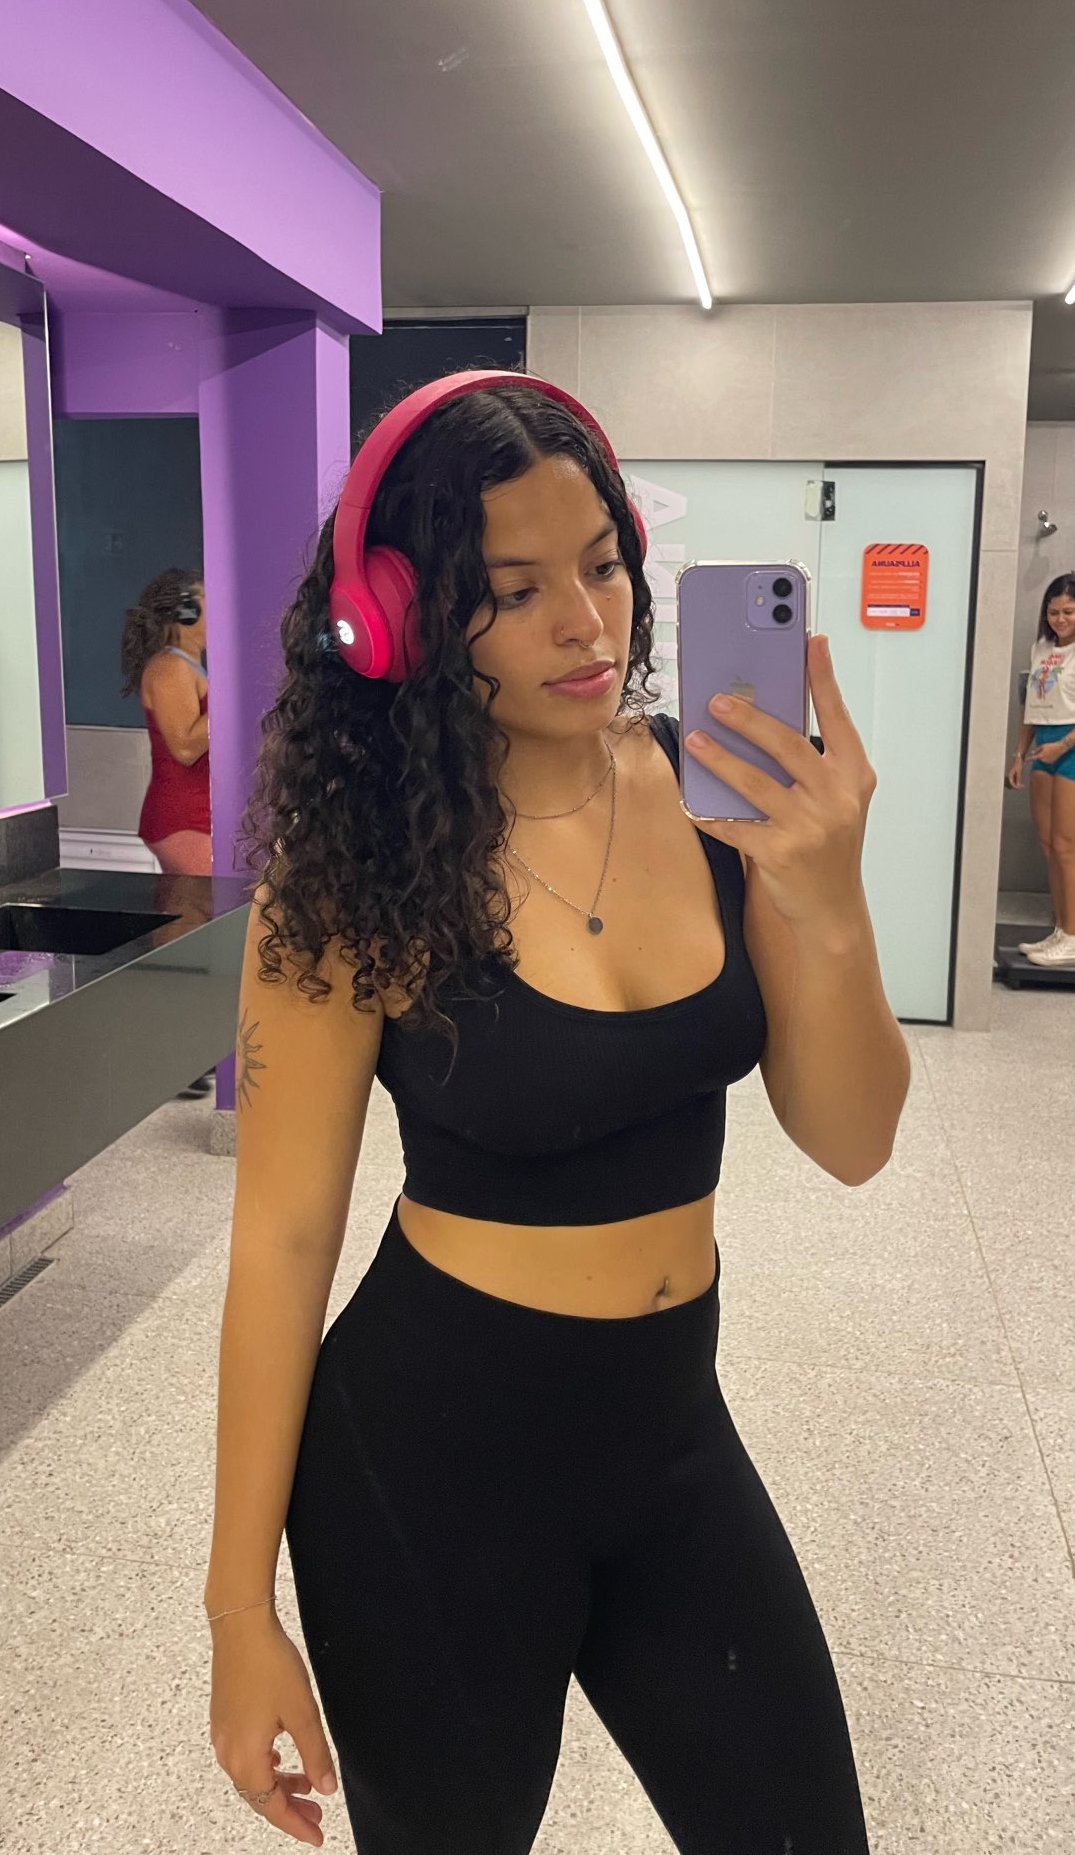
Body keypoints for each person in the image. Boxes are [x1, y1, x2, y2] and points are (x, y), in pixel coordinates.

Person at [205, 373, 910, 1855]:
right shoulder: (354, 880)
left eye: (601, 564)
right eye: (514, 591)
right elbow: (280, 1240)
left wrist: (830, 899)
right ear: (401, 621)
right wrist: (235, 1608)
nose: (587, 624)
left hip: (670, 1431)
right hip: (428, 1468)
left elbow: (853, 1142)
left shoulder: (719, 803)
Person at [121, 566, 212, 878]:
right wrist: (230, 707)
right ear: (187, 611)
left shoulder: (186, 665)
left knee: (197, 906)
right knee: (204, 905)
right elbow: (184, 748)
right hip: (184, 818)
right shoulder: (171, 667)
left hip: (193, 814)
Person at [1007, 573, 1075, 966]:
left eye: (1069, 611)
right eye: (1053, 612)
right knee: (1049, 844)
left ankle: (1073, 934)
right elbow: (1029, 706)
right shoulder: (1041, 649)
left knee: (1067, 846)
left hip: (1069, 747)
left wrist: (1062, 746)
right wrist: (1019, 754)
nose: (1060, 619)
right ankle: (1061, 929)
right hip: (1042, 747)